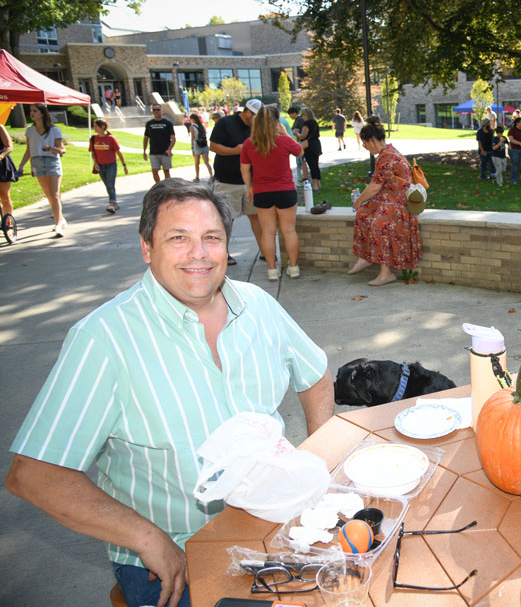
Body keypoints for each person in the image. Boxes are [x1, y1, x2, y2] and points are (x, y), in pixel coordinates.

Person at [5, 179, 335, 607]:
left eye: (211, 238)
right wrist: (147, 538)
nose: (198, 253)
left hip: (272, 524)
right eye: (178, 238)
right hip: (173, 555)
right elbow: (34, 474)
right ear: (147, 248)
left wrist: (317, 466)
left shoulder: (257, 305)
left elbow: (316, 374)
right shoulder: (104, 338)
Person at [347, 116, 422, 286]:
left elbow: (375, 186)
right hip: (388, 198)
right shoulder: (386, 152)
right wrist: (361, 205)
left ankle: (386, 273)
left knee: (378, 223)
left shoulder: (386, 156)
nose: (366, 147)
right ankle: (365, 258)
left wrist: (358, 201)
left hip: (399, 203)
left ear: (372, 140)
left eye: (366, 144)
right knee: (363, 214)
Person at [240, 104, 304, 282]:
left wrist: (250, 187)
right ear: (276, 122)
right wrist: (285, 133)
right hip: (285, 191)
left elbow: (245, 170)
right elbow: (300, 151)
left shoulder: (249, 143)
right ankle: (293, 267)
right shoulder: (283, 141)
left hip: (262, 193)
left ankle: (272, 270)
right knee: (289, 231)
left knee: (267, 233)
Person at [209, 98, 263, 266]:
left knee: (256, 217)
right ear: (247, 112)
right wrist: (235, 150)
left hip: (250, 182)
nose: (257, 121)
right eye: (256, 116)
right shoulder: (226, 123)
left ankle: (265, 251)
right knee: (227, 219)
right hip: (228, 181)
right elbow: (213, 146)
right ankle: (223, 254)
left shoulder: (256, 127)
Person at [17, 103, 67, 236]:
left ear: (42, 113)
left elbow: (62, 150)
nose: (32, 113)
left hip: (52, 161)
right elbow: (28, 150)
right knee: (49, 195)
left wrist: (49, 148)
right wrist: (21, 165)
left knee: (55, 194)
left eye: (35, 111)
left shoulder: (54, 130)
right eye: (31, 111)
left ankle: (58, 224)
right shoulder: (30, 130)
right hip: (37, 162)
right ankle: (60, 218)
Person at [89, 118, 128, 214]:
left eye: (96, 126)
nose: (94, 128)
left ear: (103, 127)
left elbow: (118, 152)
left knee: (110, 184)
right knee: (107, 185)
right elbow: (93, 153)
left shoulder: (111, 138)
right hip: (100, 166)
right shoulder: (93, 139)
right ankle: (114, 203)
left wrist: (124, 165)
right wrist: (95, 163)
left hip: (111, 165)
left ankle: (112, 203)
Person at [143, 104, 176, 183]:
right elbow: (146, 138)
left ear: (161, 111)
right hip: (154, 152)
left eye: (158, 109)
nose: (156, 111)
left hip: (165, 151)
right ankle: (158, 187)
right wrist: (144, 151)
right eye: (154, 110)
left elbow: (173, 138)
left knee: (166, 171)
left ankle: (167, 188)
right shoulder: (149, 124)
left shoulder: (168, 123)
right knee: (154, 171)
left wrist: (169, 149)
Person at [298, 107, 323, 190]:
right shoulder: (315, 122)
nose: (302, 117)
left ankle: (315, 184)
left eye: (303, 115)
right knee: (315, 165)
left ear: (306, 115)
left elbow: (303, 136)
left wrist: (297, 133)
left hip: (309, 146)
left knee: (312, 165)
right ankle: (318, 183)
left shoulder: (307, 124)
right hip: (316, 144)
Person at [0, 123, 18, 232]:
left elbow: (9, 146)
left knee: (4, 196)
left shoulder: (0, 127)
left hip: (2, 165)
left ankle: (7, 224)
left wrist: (1, 156)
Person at [189, 113, 213, 182]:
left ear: (192, 119)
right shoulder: (202, 126)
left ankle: (197, 177)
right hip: (204, 145)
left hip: (197, 145)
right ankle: (211, 175)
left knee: (197, 162)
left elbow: (193, 137)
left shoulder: (192, 127)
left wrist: (192, 148)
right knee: (206, 162)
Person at [287, 107, 308, 181]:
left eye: (290, 115)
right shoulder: (296, 120)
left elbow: (302, 130)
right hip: (297, 140)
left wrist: (296, 131)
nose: (290, 116)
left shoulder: (300, 120)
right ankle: (300, 176)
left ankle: (302, 176)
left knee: (300, 160)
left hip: (300, 141)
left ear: (294, 113)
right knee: (298, 160)